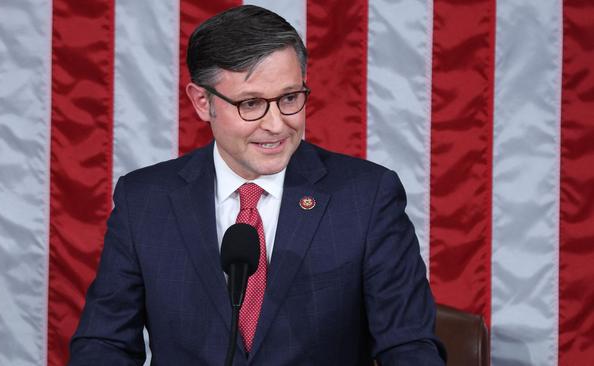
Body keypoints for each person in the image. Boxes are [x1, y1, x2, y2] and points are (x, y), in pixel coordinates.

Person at [69, 5, 446, 365]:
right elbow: (105, 343)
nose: (276, 124)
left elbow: (408, 344)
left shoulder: (366, 197)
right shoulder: (144, 201)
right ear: (202, 102)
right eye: (251, 104)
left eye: (289, 98)